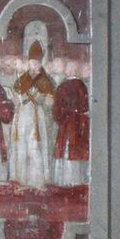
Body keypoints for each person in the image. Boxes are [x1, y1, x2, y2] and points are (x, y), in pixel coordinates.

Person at [8, 26, 55, 188]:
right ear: (28, 62)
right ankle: (22, 179)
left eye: (36, 63)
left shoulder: (46, 80)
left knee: (35, 147)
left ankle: (38, 181)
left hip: (37, 116)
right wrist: (17, 100)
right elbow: (15, 95)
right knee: (21, 146)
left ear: (40, 63)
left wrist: (42, 98)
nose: (34, 66)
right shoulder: (22, 78)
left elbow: (50, 101)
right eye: (32, 63)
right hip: (22, 115)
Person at [50, 58, 90, 186]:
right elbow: (85, 106)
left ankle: (64, 180)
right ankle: (77, 180)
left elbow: (57, 110)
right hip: (79, 123)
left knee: (66, 148)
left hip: (66, 123)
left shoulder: (62, 86)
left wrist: (60, 118)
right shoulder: (82, 86)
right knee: (77, 149)